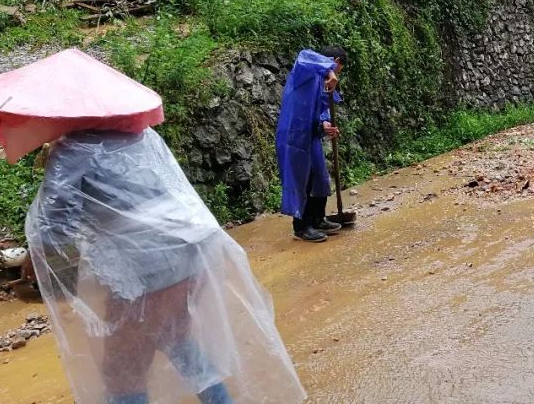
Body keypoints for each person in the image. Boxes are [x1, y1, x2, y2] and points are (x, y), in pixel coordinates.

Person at [26, 129, 305, 404]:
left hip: (142, 272)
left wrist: (44, 275)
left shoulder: (74, 150)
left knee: (123, 372)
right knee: (178, 341)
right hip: (188, 254)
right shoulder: (140, 135)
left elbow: (53, 227)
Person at [277, 47, 346, 242]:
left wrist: (325, 124)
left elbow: (322, 110)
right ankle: (302, 227)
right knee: (302, 180)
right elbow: (303, 55)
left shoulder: (322, 83)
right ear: (335, 60)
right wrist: (330, 71)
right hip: (293, 134)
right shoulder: (305, 69)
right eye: (337, 68)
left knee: (319, 177)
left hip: (310, 135)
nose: (335, 75)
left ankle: (317, 218)